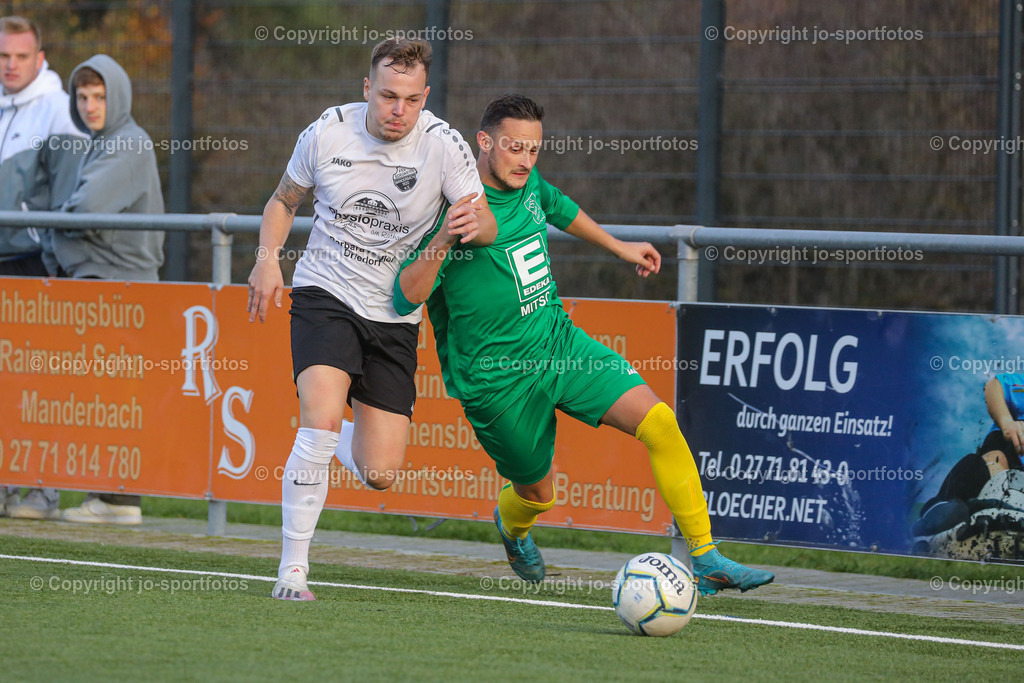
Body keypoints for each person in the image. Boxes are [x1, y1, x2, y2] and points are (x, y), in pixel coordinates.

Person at [394, 94, 774, 595]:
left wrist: (619, 247)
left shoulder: (530, 185)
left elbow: (559, 207)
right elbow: (404, 297)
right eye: (514, 148)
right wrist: (441, 242)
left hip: (560, 344)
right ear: (483, 142)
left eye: (534, 150)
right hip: (496, 382)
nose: (526, 161)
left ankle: (705, 558)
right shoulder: (450, 211)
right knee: (538, 493)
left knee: (658, 422)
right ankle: (514, 526)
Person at [246, 38, 497, 601]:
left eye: (409, 99)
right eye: (387, 95)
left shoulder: (444, 145)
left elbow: (487, 228)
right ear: (367, 88)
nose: (397, 110)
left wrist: (466, 222)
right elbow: (284, 201)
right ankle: (292, 571)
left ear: (424, 97)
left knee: (380, 472)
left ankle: (337, 438)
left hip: (395, 316)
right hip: (325, 293)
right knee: (318, 419)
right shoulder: (327, 132)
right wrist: (267, 261)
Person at [47, 54, 166, 525]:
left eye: (99, 96)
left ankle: (118, 501)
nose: (90, 105)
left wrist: (61, 225)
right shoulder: (105, 142)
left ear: (117, 96)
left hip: (119, 290)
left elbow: (85, 209)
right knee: (108, 396)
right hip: (107, 286)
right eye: (82, 97)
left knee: (114, 397)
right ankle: (113, 498)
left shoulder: (128, 143)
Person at [0, 15, 86, 520]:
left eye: (20, 56)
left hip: (33, 264)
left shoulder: (58, 108)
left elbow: (65, 198)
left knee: (37, 381)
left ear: (41, 58)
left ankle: (41, 488)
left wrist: (55, 261)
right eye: (3, 57)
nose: (10, 66)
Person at [913, 372, 1024, 536]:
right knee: (987, 456)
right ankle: (941, 511)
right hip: (1000, 470)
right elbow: (995, 385)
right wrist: (1007, 422)